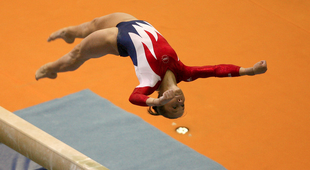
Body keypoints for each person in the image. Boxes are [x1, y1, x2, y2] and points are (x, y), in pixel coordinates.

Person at [35, 12, 267, 119]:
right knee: (92, 23)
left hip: (114, 40)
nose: (180, 102)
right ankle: (69, 32)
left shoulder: (150, 82)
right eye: (183, 104)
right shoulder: (184, 73)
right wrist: (249, 71)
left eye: (175, 107)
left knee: (77, 56)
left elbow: (134, 97)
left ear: (163, 104)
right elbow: (216, 70)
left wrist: (154, 100)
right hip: (135, 23)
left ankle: (51, 69)